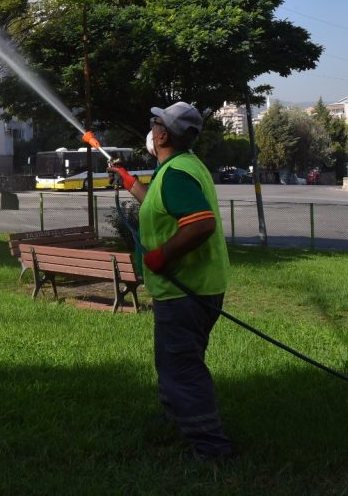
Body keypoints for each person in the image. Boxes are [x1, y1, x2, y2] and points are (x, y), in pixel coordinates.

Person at [108, 101, 234, 460]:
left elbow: (200, 223)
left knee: (182, 367)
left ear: (162, 134)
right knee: (172, 361)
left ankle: (211, 447)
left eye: (155, 122)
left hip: (186, 291)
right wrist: (130, 182)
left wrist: (161, 256)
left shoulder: (176, 173)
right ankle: (176, 419)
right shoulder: (181, 167)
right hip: (198, 287)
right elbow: (160, 205)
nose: (151, 127)